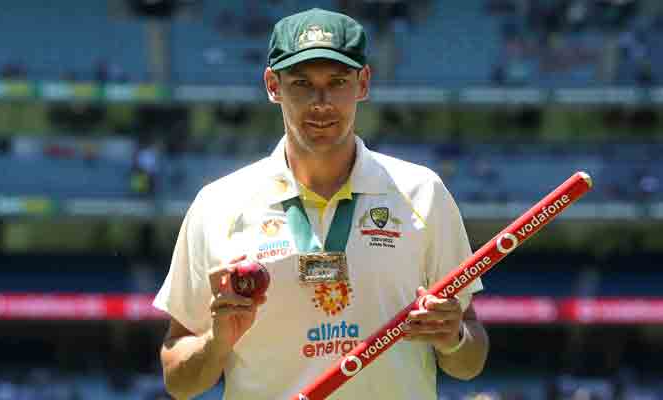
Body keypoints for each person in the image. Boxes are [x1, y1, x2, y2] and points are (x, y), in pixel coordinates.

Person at [154, 8, 489, 400]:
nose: (321, 101)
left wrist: (452, 339)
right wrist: (217, 342)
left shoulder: (422, 193)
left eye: (337, 81)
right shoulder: (218, 205)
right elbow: (178, 381)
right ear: (272, 85)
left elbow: (470, 360)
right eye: (301, 83)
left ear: (363, 83)